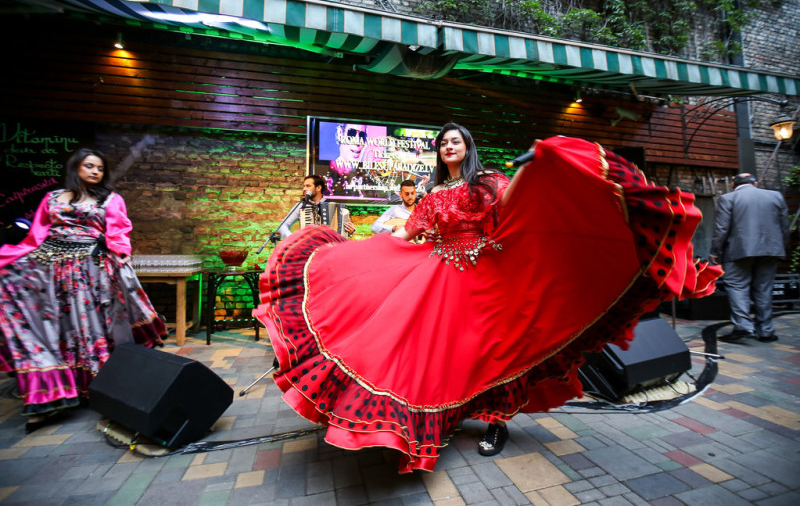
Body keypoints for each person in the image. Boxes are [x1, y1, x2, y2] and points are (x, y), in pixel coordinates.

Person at [254, 122, 721, 473]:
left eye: (455, 140)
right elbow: (416, 232)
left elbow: (511, 208)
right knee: (439, 356)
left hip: (485, 276)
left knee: (493, 349)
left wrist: (540, 167)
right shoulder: (433, 192)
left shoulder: (488, 182)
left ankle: (497, 422)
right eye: (442, 142)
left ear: (467, 147)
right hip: (437, 279)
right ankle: (443, 421)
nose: (448, 146)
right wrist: (376, 249)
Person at [0, 148, 166, 433]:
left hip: (87, 268)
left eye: (99, 168)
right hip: (49, 269)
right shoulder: (52, 198)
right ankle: (50, 395)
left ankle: (99, 388)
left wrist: (121, 253)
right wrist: (15, 260)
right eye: (89, 166)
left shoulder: (109, 199)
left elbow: (118, 231)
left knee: (87, 329)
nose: (94, 172)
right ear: (75, 168)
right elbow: (36, 234)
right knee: (52, 329)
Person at [711, 173, 789, 343]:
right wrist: (782, 248)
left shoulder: (728, 198)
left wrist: (715, 252)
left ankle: (743, 327)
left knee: (737, 287)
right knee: (764, 289)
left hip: (738, 251)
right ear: (755, 183)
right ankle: (766, 331)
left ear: (733, 184)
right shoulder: (775, 196)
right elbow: (784, 226)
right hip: (771, 250)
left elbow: (721, 229)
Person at [277, 175, 356, 239]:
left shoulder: (335, 207)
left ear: (318, 188)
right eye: (304, 186)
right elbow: (283, 225)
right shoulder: (301, 206)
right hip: (309, 249)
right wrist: (293, 240)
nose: (304, 189)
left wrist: (351, 230)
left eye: (308, 186)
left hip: (329, 251)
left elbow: (346, 233)